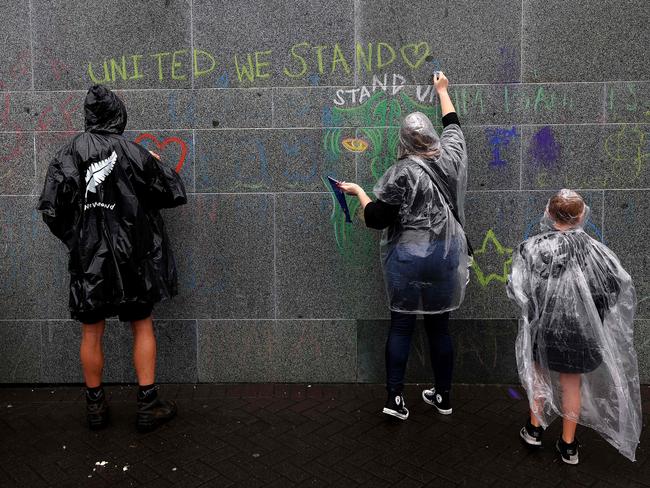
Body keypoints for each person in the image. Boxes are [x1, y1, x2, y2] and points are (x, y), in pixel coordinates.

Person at [37, 84, 187, 432]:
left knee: (91, 331)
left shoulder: (67, 153)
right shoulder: (135, 152)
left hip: (91, 259)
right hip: (132, 256)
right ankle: (148, 406)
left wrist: (79, 239)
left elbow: (51, 208)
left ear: (89, 117)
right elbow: (173, 191)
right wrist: (155, 164)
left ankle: (95, 409)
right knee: (142, 323)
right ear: (118, 115)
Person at [338, 72, 471, 420]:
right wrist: (443, 90)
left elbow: (378, 218)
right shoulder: (453, 156)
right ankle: (443, 397)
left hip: (408, 259)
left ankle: (395, 400)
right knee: (439, 327)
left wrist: (359, 192)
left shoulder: (401, 174)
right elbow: (453, 123)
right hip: (445, 256)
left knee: (401, 325)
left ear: (403, 141)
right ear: (430, 135)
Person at [507, 189, 641, 464]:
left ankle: (534, 429)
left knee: (539, 375)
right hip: (581, 332)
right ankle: (568, 444)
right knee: (571, 386)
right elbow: (613, 288)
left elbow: (517, 289)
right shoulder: (597, 252)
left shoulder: (531, 247)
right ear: (581, 215)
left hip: (543, 328)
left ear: (549, 213)